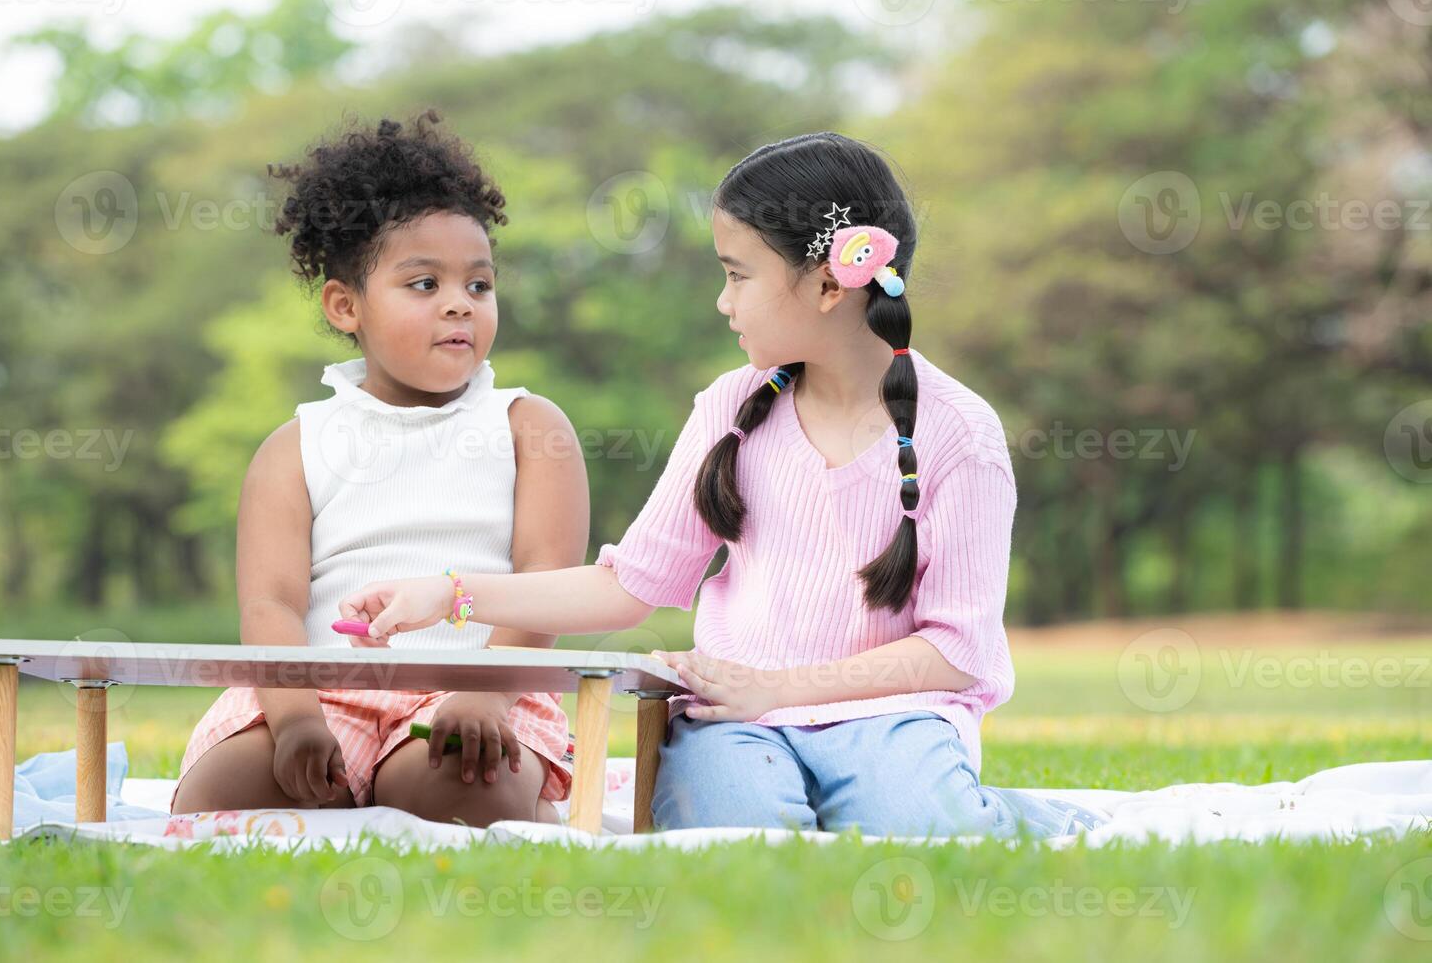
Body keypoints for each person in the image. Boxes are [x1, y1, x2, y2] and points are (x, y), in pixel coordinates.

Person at [338, 132, 1097, 838]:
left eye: (738, 275)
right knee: (728, 832)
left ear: (831, 282)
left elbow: (957, 655)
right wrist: (452, 593)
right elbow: (628, 587)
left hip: (894, 713)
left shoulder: (959, 434)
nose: (723, 301)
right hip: (735, 719)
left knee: (919, 829)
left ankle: (1037, 821)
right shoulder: (731, 410)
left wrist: (783, 689)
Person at [170, 110, 588, 826]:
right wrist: (297, 718)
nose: (460, 302)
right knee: (222, 800)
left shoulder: (527, 427)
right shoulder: (296, 444)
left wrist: (484, 692)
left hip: (477, 682)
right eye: (424, 284)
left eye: (479, 286)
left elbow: (546, 581)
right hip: (318, 689)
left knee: (461, 792)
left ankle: (496, 803)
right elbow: (269, 604)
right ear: (345, 306)